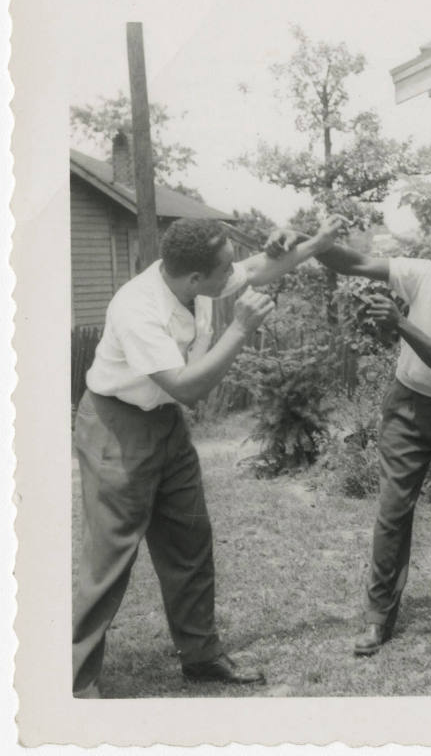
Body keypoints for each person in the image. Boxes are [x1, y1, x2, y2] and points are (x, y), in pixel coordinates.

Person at [72, 215, 341, 697]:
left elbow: (259, 267)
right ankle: (77, 682)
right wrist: (239, 328)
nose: (232, 275)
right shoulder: (137, 308)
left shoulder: (190, 277)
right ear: (195, 278)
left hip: (165, 424)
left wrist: (317, 242)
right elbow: (189, 387)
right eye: (224, 270)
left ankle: (200, 658)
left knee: (189, 543)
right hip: (117, 426)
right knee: (109, 557)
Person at [268, 225, 431, 656]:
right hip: (407, 406)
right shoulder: (428, 274)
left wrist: (400, 322)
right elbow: (352, 261)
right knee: (393, 509)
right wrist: (303, 240)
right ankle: (377, 619)